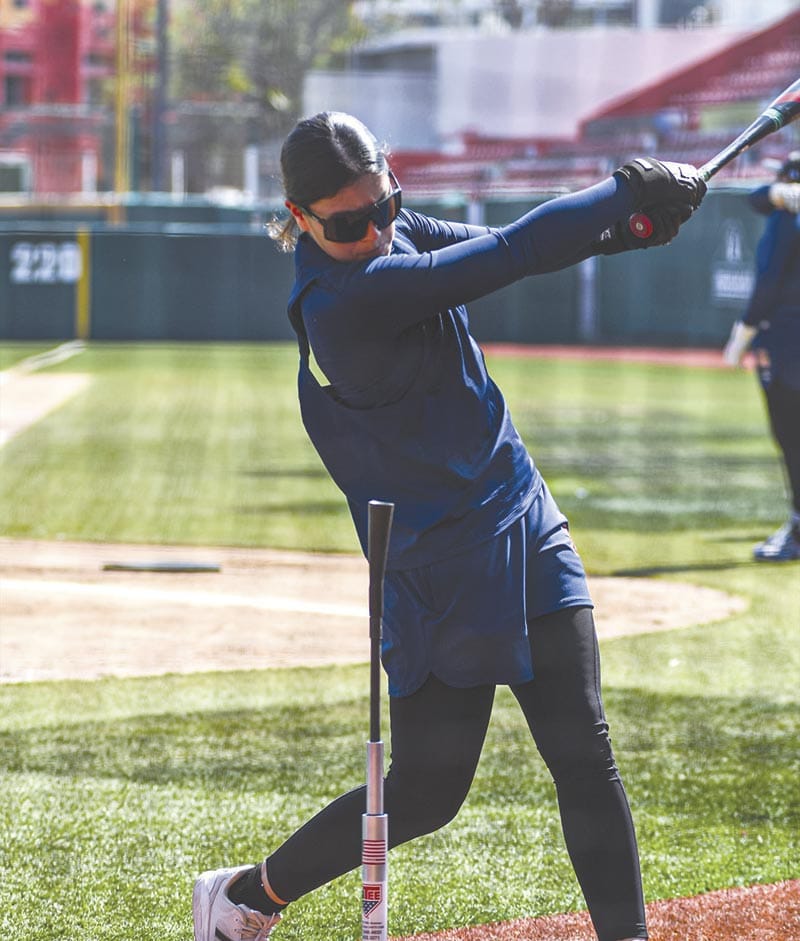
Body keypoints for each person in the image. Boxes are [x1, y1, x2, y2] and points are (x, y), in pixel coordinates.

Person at [192, 112, 706, 941]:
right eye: (350, 223)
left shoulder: (390, 235)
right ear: (299, 217)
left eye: (386, 204)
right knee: (429, 789)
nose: (379, 228)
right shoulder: (344, 299)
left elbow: (500, 238)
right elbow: (507, 258)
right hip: (436, 568)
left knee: (584, 746)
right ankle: (249, 894)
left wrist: (621, 232)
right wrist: (623, 188)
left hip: (519, 514)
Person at [723, 151, 800, 562]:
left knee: (792, 439)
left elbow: (769, 281)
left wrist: (745, 331)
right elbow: (757, 196)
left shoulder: (788, 221)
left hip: (788, 343)